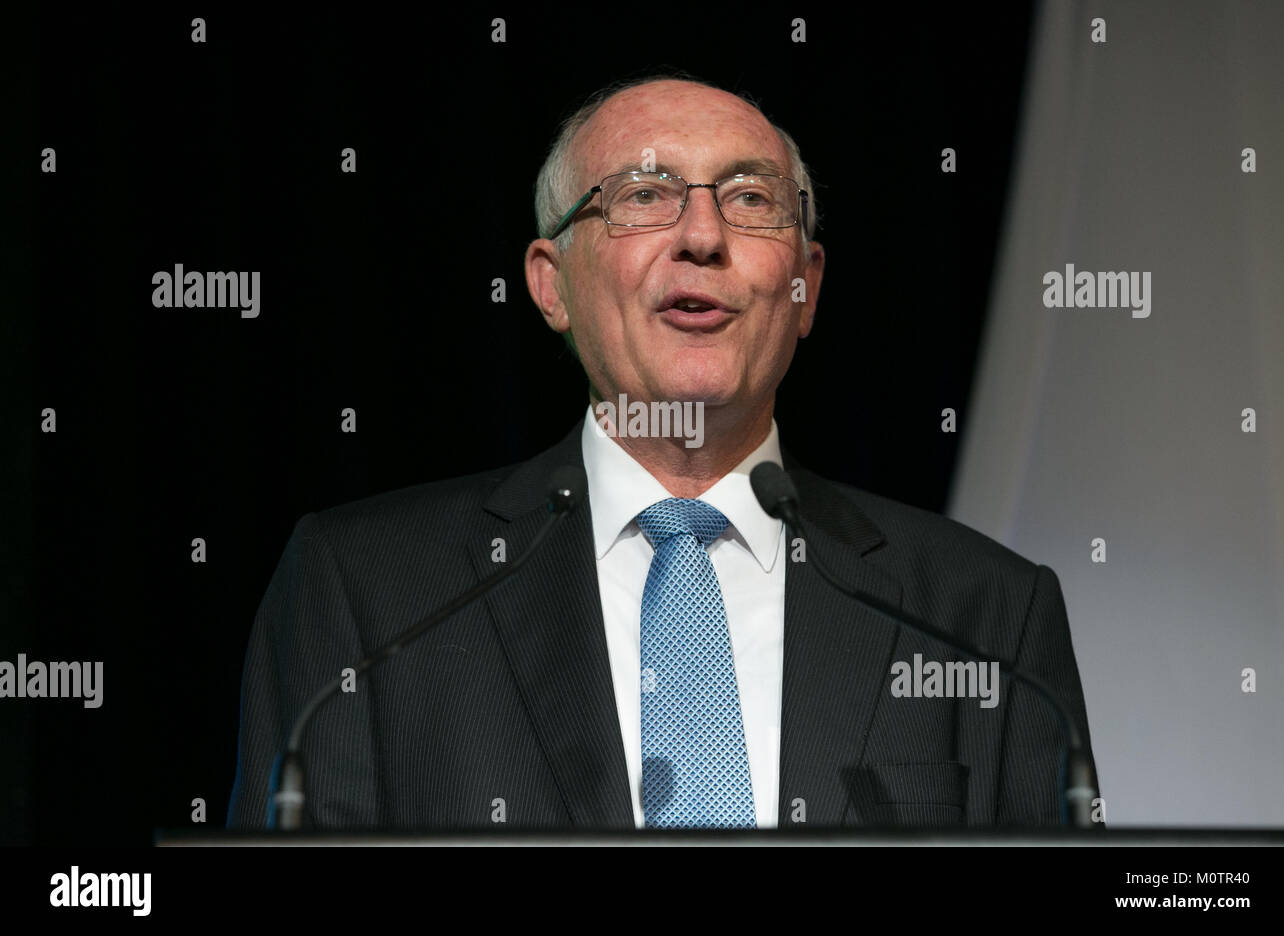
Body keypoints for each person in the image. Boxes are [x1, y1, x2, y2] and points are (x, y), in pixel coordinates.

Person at [227, 73, 1096, 832]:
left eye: (751, 199)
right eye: (645, 194)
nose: (704, 235)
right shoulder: (368, 592)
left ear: (805, 288)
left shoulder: (982, 613)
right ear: (550, 282)